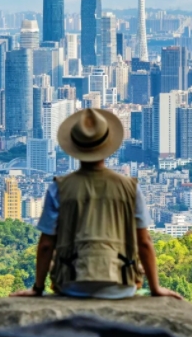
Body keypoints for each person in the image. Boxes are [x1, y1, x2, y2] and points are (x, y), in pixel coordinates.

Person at [12, 108, 182, 300]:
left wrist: (37, 288)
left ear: (74, 147)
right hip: (120, 284)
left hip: (72, 283)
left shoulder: (59, 188)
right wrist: (155, 288)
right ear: (108, 145)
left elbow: (46, 244)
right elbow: (144, 241)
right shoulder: (129, 188)